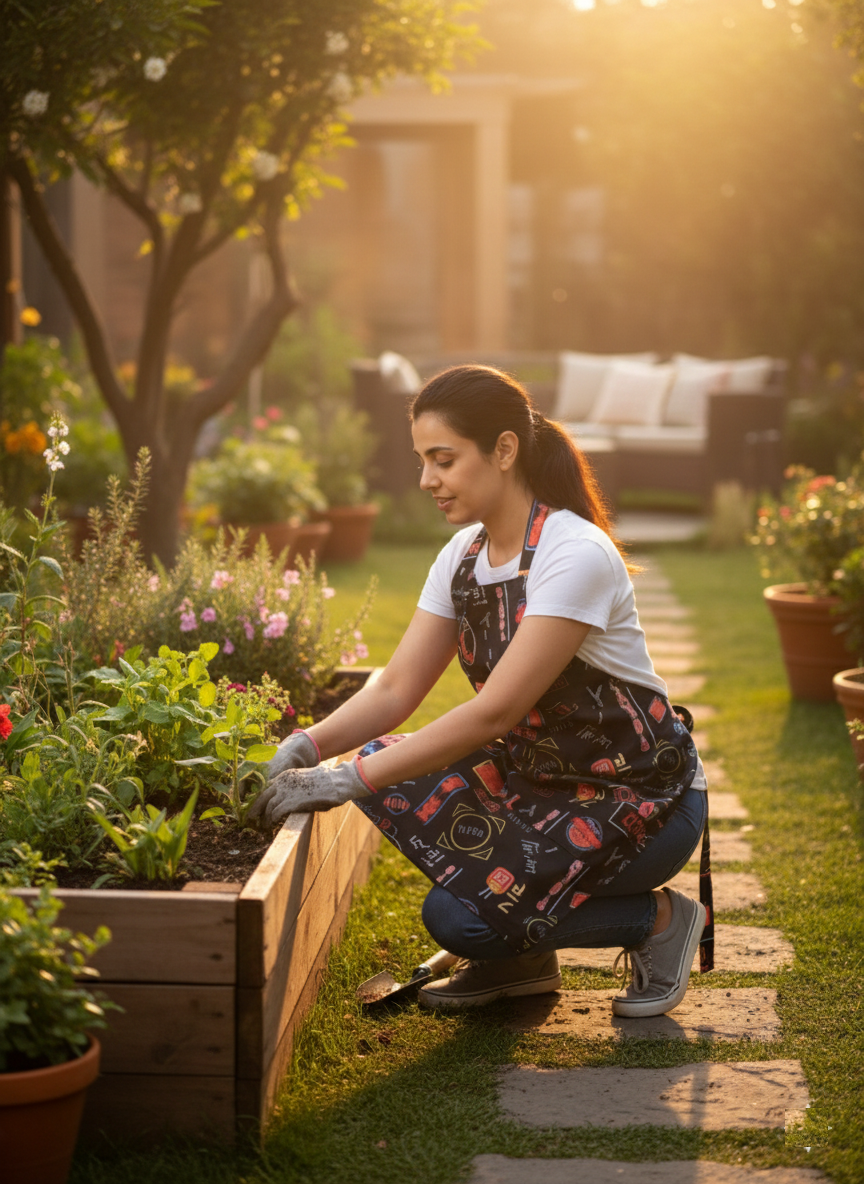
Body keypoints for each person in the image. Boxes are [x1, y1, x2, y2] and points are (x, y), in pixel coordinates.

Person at [249, 365, 711, 1014]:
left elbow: (496, 710)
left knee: (459, 919)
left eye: (443, 459)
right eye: (421, 460)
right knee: (402, 771)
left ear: (503, 450)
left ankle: (659, 921)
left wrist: (348, 779)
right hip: (542, 782)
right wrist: (303, 747)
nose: (426, 480)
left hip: (640, 799)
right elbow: (397, 689)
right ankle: (519, 965)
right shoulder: (463, 556)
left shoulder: (574, 553)